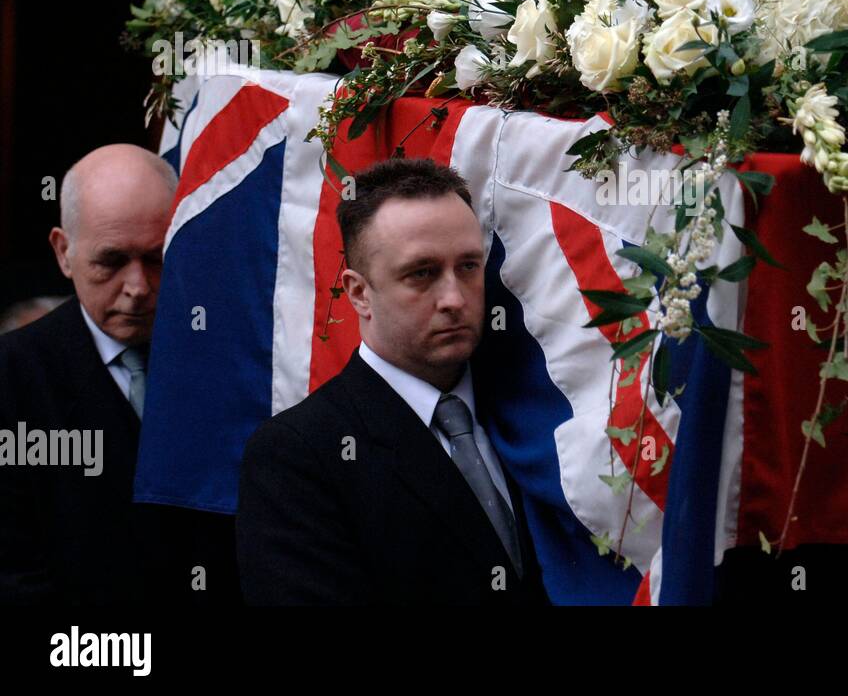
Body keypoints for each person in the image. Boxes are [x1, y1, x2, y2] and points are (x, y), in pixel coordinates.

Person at [237, 158, 548, 605]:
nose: (454, 299)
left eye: (468, 266)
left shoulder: (529, 404)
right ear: (359, 292)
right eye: (421, 273)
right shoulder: (298, 456)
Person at [0, 144, 196, 604]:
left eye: (156, 258)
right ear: (63, 252)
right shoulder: (12, 379)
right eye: (110, 261)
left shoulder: (226, 361)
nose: (138, 288)